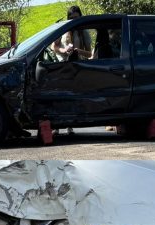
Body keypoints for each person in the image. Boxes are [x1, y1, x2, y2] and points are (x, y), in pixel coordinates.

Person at [51, 5, 91, 135]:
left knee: (71, 98)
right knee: (60, 97)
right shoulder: (63, 30)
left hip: (76, 67)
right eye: (71, 18)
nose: (74, 21)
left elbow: (90, 53)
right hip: (62, 66)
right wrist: (63, 50)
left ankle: (69, 126)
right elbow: (54, 46)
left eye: (76, 18)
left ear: (80, 17)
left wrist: (78, 51)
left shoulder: (84, 33)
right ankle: (56, 126)